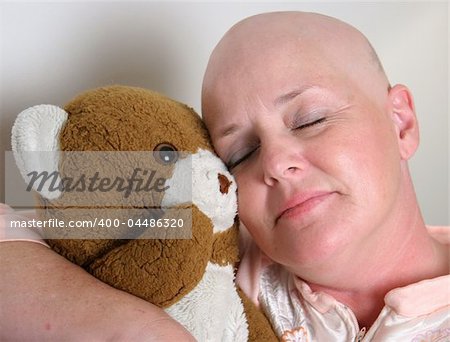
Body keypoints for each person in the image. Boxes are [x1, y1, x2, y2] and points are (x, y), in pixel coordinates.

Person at [0, 11, 448, 341]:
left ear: (401, 123)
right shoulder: (218, 256)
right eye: (242, 153)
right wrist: (133, 329)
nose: (274, 163)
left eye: (310, 119)